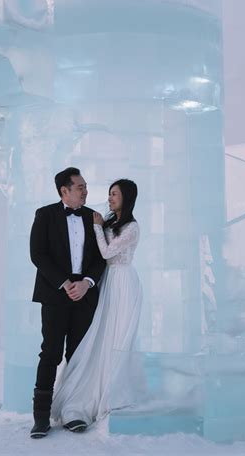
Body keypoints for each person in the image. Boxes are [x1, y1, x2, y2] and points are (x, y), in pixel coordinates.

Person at [51, 178, 142, 429]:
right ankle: (81, 392)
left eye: (115, 194)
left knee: (117, 335)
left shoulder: (132, 227)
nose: (110, 198)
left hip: (123, 281)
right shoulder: (110, 221)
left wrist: (97, 229)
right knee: (100, 334)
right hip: (107, 281)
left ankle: (111, 392)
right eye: (110, 193)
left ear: (127, 197)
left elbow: (106, 252)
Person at [29, 167, 106, 439]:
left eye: (85, 186)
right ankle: (41, 417)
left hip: (85, 294)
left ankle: (75, 412)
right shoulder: (45, 214)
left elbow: (101, 257)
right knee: (50, 353)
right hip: (54, 293)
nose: (86, 190)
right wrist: (65, 283)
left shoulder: (94, 218)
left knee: (78, 354)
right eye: (80, 187)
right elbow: (37, 254)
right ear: (65, 190)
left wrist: (86, 283)